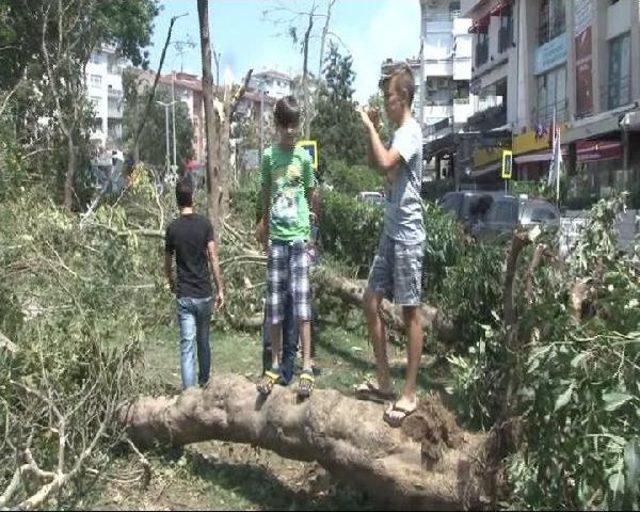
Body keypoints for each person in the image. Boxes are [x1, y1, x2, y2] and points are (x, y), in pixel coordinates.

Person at [356, 64, 426, 427]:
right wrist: (374, 131)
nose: (385, 103)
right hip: (390, 231)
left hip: (409, 235)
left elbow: (385, 162)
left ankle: (409, 393)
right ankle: (384, 381)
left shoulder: (410, 132)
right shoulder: (398, 133)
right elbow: (376, 163)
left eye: (388, 98)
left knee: (410, 314)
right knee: (370, 301)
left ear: (403, 98)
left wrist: (370, 128)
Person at [255, 95, 318, 398]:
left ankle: (306, 365)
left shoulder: (303, 158)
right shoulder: (269, 157)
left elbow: (311, 191)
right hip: (277, 239)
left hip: (298, 238)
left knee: (303, 305)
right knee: (276, 307)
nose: (292, 131)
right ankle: (276, 364)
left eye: (296, 126)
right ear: (278, 125)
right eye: (287, 126)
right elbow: (266, 192)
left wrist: (312, 234)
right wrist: (263, 226)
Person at [164, 177, 225, 390]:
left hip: (185, 295)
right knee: (203, 341)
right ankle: (205, 382)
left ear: (177, 200)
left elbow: (167, 264)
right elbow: (213, 258)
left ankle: (189, 393)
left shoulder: (172, 229)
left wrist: (171, 282)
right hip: (204, 294)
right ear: (193, 198)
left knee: (187, 345)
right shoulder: (204, 225)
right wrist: (220, 289)